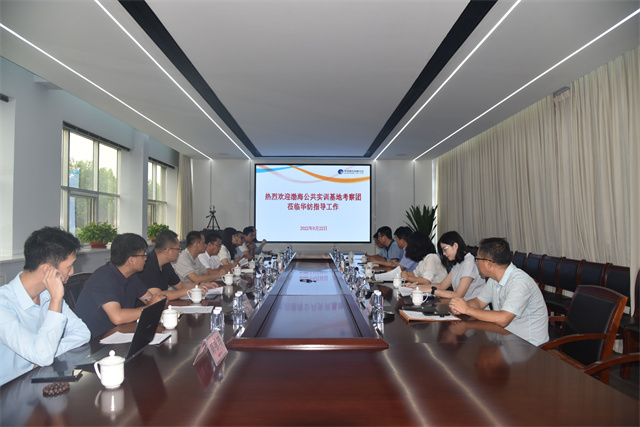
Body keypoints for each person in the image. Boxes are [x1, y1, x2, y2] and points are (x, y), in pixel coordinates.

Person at [0, 227, 90, 386]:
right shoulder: (4, 305)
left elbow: (82, 333)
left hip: (36, 380)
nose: (72, 272)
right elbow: (43, 356)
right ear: (48, 269)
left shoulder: (46, 294)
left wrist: (47, 351)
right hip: (9, 391)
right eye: (69, 266)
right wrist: (56, 299)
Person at [449, 238, 549, 346]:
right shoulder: (494, 279)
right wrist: (461, 307)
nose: (476, 263)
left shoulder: (519, 283)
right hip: (506, 339)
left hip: (529, 346)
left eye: (477, 259)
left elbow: (503, 319)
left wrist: (467, 309)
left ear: (488, 263)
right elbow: (479, 302)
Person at [74, 233, 165, 338]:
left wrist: (157, 300)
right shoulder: (104, 278)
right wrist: (150, 307)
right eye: (143, 255)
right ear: (131, 260)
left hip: (118, 334)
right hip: (95, 341)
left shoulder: (131, 276)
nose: (145, 259)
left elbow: (148, 299)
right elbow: (117, 317)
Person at [139, 230, 217, 301]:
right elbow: (158, 295)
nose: (179, 252)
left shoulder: (166, 264)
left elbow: (180, 285)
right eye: (178, 249)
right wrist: (191, 290)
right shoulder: (147, 265)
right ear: (168, 251)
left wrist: (200, 285)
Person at [430, 231, 486, 300]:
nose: (444, 253)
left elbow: (458, 295)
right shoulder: (458, 262)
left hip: (473, 306)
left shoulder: (469, 262)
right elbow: (442, 285)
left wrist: (432, 291)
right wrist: (418, 288)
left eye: (445, 249)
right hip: (461, 304)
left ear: (455, 246)